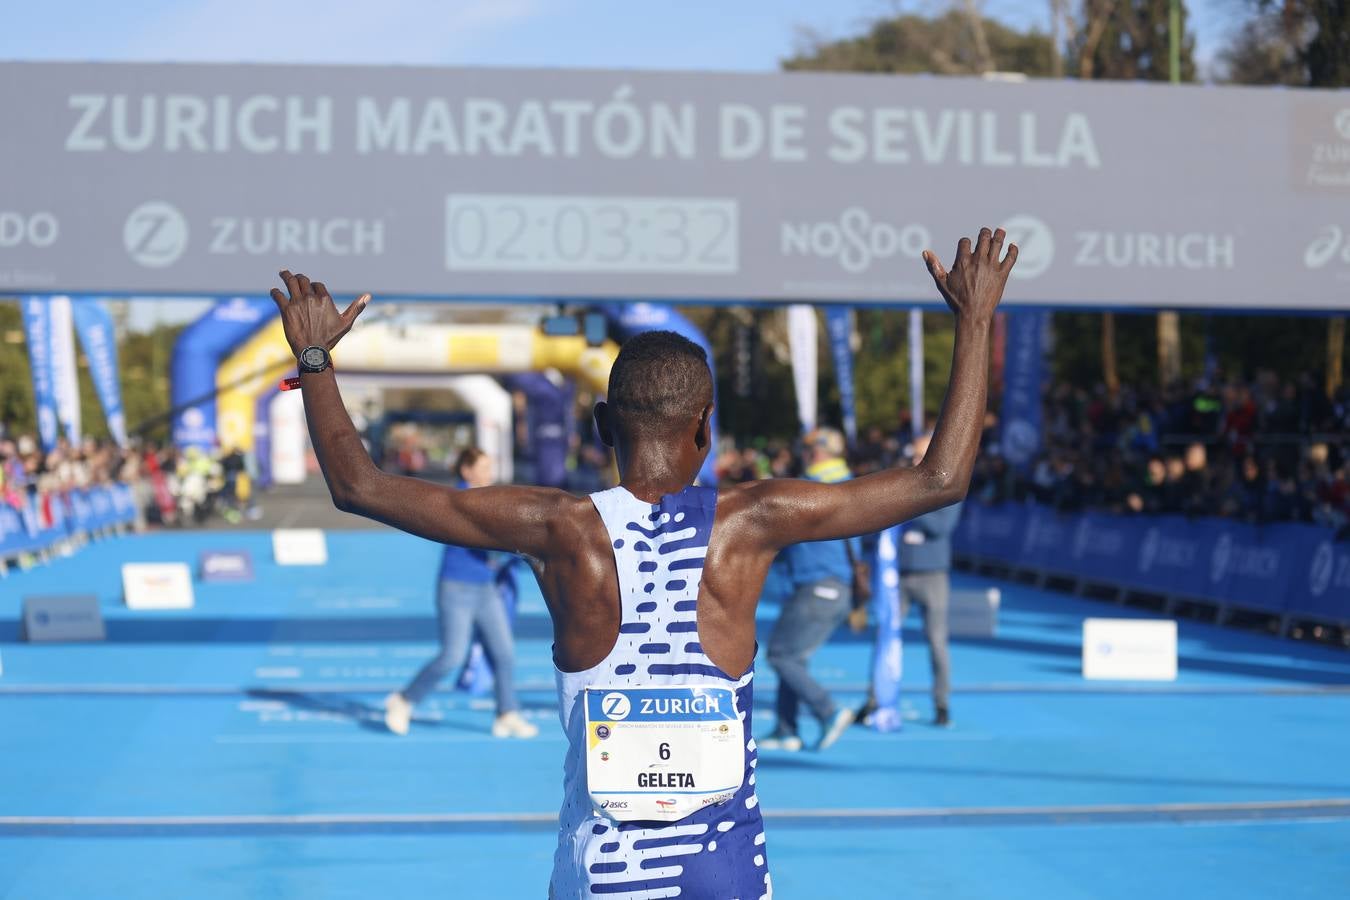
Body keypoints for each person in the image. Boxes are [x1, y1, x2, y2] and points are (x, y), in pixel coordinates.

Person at [267, 225, 1015, 898]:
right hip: (725, 874)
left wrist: (315, 359)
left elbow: (359, 487)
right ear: (705, 429)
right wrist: (976, 320)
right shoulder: (751, 523)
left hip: (605, 877)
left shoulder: (560, 531)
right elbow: (939, 480)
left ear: (602, 426)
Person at [383, 447, 538, 740]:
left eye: (490, 468)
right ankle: (403, 700)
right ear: (466, 471)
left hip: (486, 589)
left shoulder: (489, 498)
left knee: (504, 652)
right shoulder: (460, 500)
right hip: (456, 589)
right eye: (483, 468)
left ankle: (506, 713)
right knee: (452, 656)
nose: (489, 474)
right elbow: (487, 540)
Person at [759, 427, 861, 752]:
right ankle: (786, 729)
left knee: (781, 655)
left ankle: (828, 710)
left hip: (818, 584)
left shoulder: (812, 486)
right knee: (794, 657)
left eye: (804, 450)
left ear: (816, 452)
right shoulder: (850, 484)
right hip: (834, 586)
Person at [897, 432, 963, 727]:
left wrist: (910, 503)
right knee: (887, 638)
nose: (913, 460)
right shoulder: (901, 485)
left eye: (919, 455)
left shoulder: (948, 487)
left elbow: (941, 526)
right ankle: (876, 698)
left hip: (932, 575)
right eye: (912, 455)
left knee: (937, 641)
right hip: (900, 574)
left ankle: (941, 703)